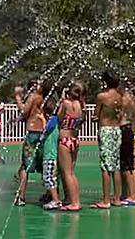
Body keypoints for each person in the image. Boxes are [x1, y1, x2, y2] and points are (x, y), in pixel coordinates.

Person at [13, 79, 48, 206]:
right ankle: (50, 193)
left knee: (25, 166)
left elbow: (24, 111)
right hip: (43, 134)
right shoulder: (45, 97)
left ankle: (21, 196)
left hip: (33, 133)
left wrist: (17, 97)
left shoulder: (33, 97)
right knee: (46, 164)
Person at [93, 71, 124, 209]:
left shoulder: (102, 96)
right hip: (117, 130)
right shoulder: (120, 96)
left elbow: (96, 114)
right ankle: (117, 198)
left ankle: (105, 200)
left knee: (105, 166)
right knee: (116, 165)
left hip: (105, 129)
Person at [58, 81, 85, 212]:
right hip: (75, 140)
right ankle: (73, 199)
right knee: (71, 173)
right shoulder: (80, 105)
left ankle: (75, 202)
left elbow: (58, 117)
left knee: (67, 173)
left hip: (64, 140)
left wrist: (63, 98)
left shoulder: (66, 104)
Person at [119, 80, 135, 206]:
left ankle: (134, 193)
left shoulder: (134, 104)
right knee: (132, 166)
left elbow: (129, 117)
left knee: (133, 166)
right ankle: (131, 192)